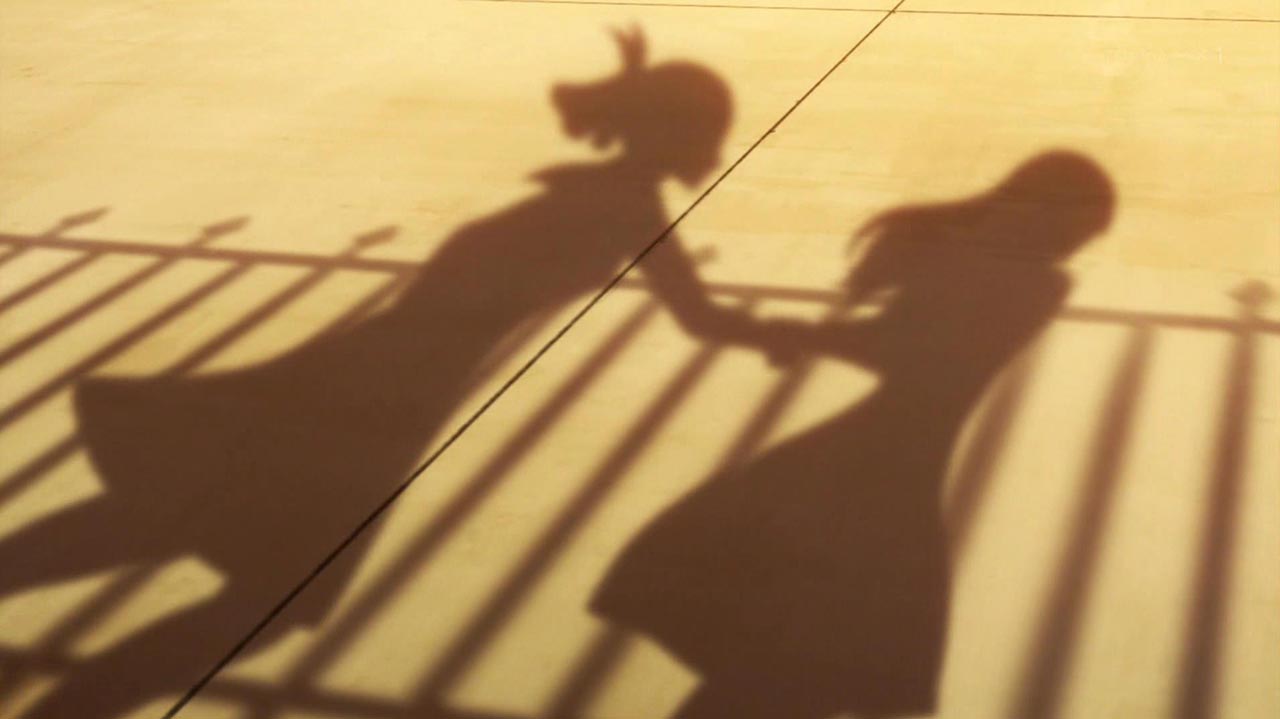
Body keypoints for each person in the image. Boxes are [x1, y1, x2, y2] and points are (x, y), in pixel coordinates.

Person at [0, 29, 751, 719]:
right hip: (378, 400)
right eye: (704, 133)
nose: (712, 152)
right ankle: (78, 705)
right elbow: (701, 317)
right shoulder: (624, 209)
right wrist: (798, 335)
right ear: (672, 133)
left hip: (373, 380)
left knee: (194, 520)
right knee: (262, 579)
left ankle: (74, 694)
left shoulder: (591, 195)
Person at [592, 151, 1117, 718]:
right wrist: (803, 333)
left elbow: (905, 347)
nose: (1075, 245)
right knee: (811, 660)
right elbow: (913, 349)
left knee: (792, 657)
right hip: (885, 475)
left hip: (865, 466)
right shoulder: (1031, 283)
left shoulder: (1024, 280)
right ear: (1045, 210)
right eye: (1080, 229)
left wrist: (795, 332)